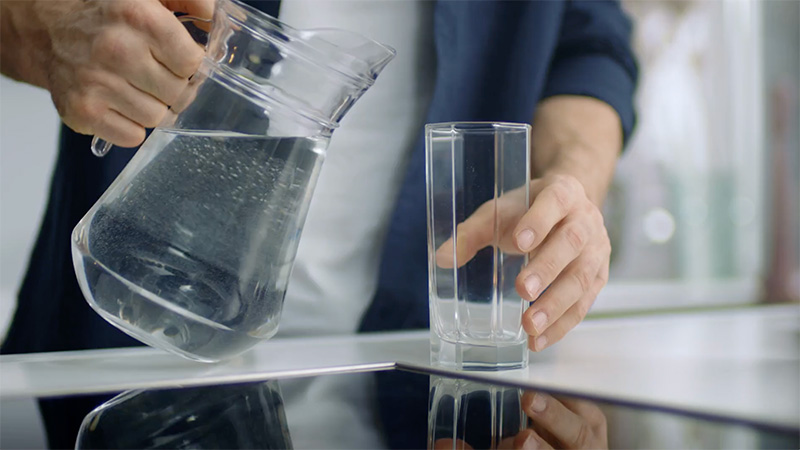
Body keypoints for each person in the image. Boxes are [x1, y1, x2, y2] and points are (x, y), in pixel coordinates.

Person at [1, 0, 637, 447]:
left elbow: (588, 47)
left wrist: (570, 178)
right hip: (108, 353)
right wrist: (45, 22)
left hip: (407, 372)